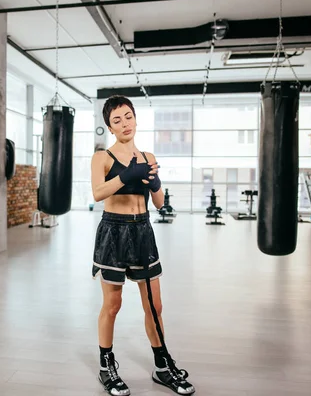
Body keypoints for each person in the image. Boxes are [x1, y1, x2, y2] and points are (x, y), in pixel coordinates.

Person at [90, 95, 195, 396]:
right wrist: (126, 176)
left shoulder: (148, 156)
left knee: (155, 305)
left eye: (128, 117)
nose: (124, 124)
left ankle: (162, 366)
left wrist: (155, 183)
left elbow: (160, 204)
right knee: (113, 305)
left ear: (136, 118)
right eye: (117, 120)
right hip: (113, 231)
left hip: (143, 230)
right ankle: (105, 366)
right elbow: (98, 193)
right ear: (110, 127)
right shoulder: (103, 158)